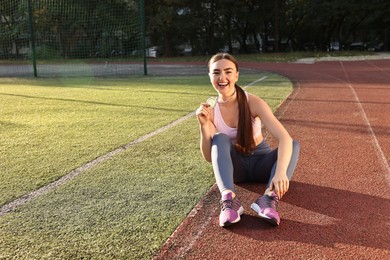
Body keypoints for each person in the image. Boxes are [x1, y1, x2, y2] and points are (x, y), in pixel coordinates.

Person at [195, 53, 300, 227]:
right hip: (236, 169)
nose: (222, 77)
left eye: (228, 72)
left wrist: (280, 172)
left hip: (262, 164)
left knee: (293, 145)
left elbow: (284, 138)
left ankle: (268, 199)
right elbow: (208, 156)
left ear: (236, 75)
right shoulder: (210, 110)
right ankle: (229, 202)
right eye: (216, 72)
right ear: (210, 76)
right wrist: (203, 125)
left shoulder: (253, 102)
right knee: (220, 138)